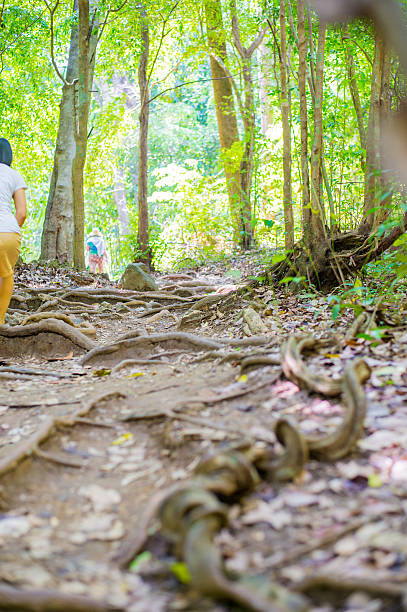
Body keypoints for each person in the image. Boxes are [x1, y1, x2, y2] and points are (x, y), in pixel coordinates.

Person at [0, 138, 27, 325]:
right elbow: (22, 213)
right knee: (6, 274)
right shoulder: (14, 175)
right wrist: (10, 229)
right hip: (8, 233)